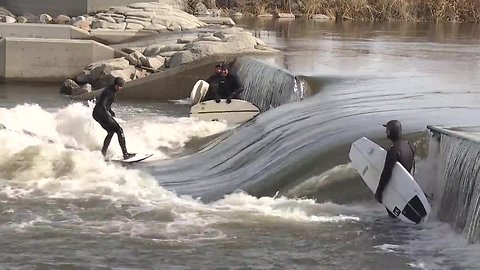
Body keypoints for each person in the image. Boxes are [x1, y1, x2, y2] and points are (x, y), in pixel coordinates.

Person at [375, 120, 416, 217]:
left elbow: (387, 173)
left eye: (387, 130)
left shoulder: (393, 150)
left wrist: (379, 193)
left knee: (394, 218)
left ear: (390, 132)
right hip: (408, 188)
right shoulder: (410, 145)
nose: (385, 132)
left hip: (396, 190)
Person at [92, 77, 135, 160]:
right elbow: (103, 105)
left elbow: (105, 104)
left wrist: (110, 111)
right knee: (119, 130)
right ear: (115, 85)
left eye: (121, 86)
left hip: (96, 114)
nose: (120, 88)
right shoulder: (109, 92)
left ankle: (103, 154)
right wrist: (108, 115)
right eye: (118, 86)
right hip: (101, 113)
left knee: (111, 131)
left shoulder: (111, 90)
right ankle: (125, 154)